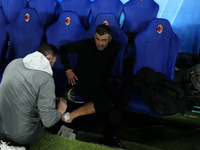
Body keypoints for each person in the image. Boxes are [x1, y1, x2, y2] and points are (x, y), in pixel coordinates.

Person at [60, 24, 128, 149]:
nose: (100, 43)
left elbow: (107, 63)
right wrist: (68, 70)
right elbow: (63, 49)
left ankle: (109, 134)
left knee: (122, 97)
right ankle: (69, 117)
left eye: (104, 40)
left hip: (100, 81)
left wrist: (109, 77)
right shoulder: (86, 44)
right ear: (94, 36)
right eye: (97, 39)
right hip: (82, 81)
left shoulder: (114, 46)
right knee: (105, 102)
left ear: (110, 39)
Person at [0, 44, 68, 146]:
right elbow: (48, 121)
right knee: (47, 114)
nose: (52, 66)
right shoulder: (46, 79)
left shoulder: (14, 63)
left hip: (0, 130)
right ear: (48, 58)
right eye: (53, 63)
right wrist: (60, 110)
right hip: (22, 137)